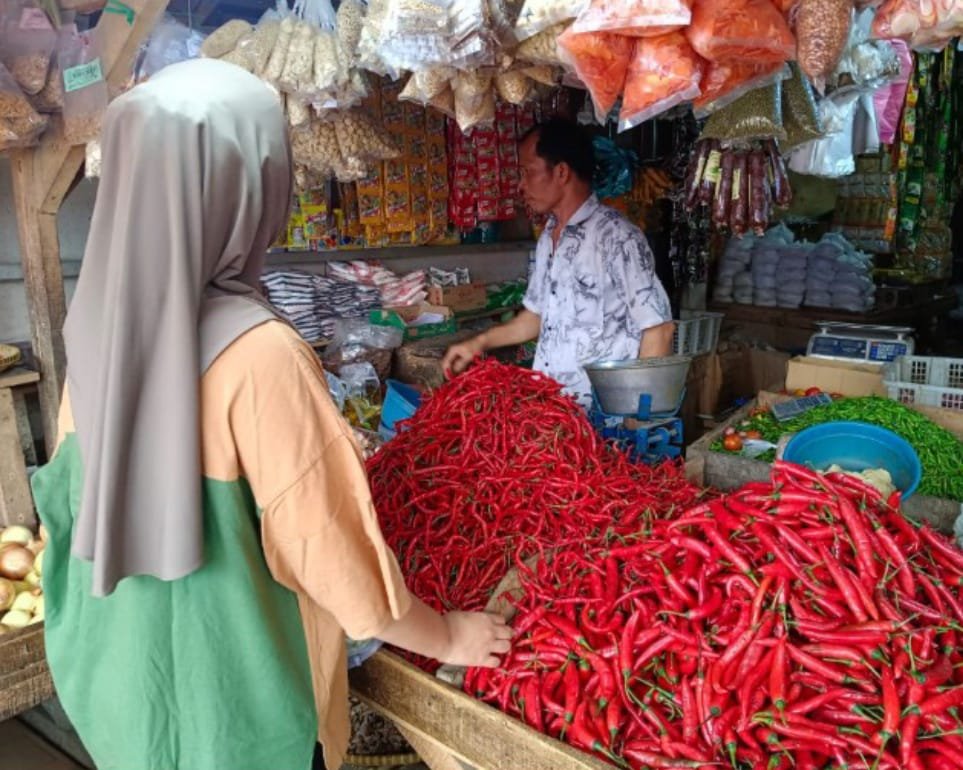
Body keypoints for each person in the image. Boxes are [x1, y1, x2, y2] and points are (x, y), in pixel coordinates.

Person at [30, 59, 510, 770]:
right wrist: (449, 638)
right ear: (245, 191)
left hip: (120, 699)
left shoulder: (97, 334)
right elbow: (335, 560)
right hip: (243, 719)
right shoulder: (259, 353)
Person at [442, 119, 675, 409]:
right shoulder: (548, 240)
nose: (520, 184)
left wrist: (636, 414)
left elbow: (658, 329)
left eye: (527, 172)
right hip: (553, 413)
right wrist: (479, 343)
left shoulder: (617, 237)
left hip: (603, 419)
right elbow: (535, 317)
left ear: (561, 172)